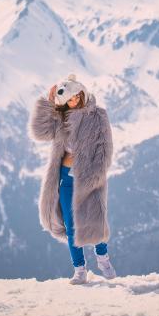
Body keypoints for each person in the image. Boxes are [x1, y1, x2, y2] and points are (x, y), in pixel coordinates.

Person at [28, 74, 116, 285]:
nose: (74, 102)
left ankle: (103, 258)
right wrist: (48, 103)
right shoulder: (62, 120)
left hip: (89, 178)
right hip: (66, 179)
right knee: (71, 226)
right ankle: (80, 270)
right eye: (69, 100)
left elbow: (105, 149)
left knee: (94, 220)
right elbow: (39, 132)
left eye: (76, 97)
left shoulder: (98, 117)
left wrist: (95, 176)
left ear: (82, 93)